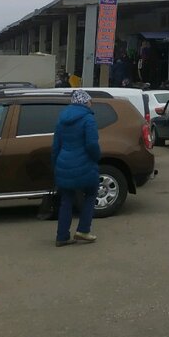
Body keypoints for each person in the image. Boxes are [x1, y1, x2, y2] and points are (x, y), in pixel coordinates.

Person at [52, 89, 101, 246]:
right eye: (90, 100)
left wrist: (55, 166)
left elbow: (56, 146)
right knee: (91, 194)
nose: (91, 103)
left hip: (64, 164)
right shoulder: (88, 118)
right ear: (85, 101)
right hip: (85, 165)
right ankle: (83, 230)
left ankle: (62, 236)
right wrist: (96, 157)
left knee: (66, 200)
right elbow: (92, 144)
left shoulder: (62, 119)